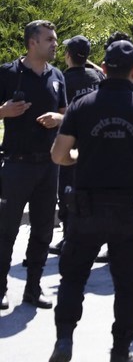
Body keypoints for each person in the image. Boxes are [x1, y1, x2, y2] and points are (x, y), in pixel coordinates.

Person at [48, 40, 133, 362]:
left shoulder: (82, 105)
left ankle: (64, 340)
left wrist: (78, 158)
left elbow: (58, 154)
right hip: (127, 210)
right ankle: (120, 351)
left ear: (103, 68)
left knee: (73, 277)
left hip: (86, 208)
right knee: (128, 285)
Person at [0, 20, 67, 311]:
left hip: (47, 166)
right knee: (5, 230)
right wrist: (3, 111)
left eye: (55, 39)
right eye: (49, 40)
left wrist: (58, 118)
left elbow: (68, 115)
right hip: (15, 164)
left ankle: (33, 287)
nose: (55, 44)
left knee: (43, 230)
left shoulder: (57, 77)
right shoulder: (8, 73)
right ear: (32, 43)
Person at [49, 36, 105, 256]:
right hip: (98, 144)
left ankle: (69, 237)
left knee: (67, 192)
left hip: (71, 146)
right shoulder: (98, 76)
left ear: (68, 55)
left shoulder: (63, 80)